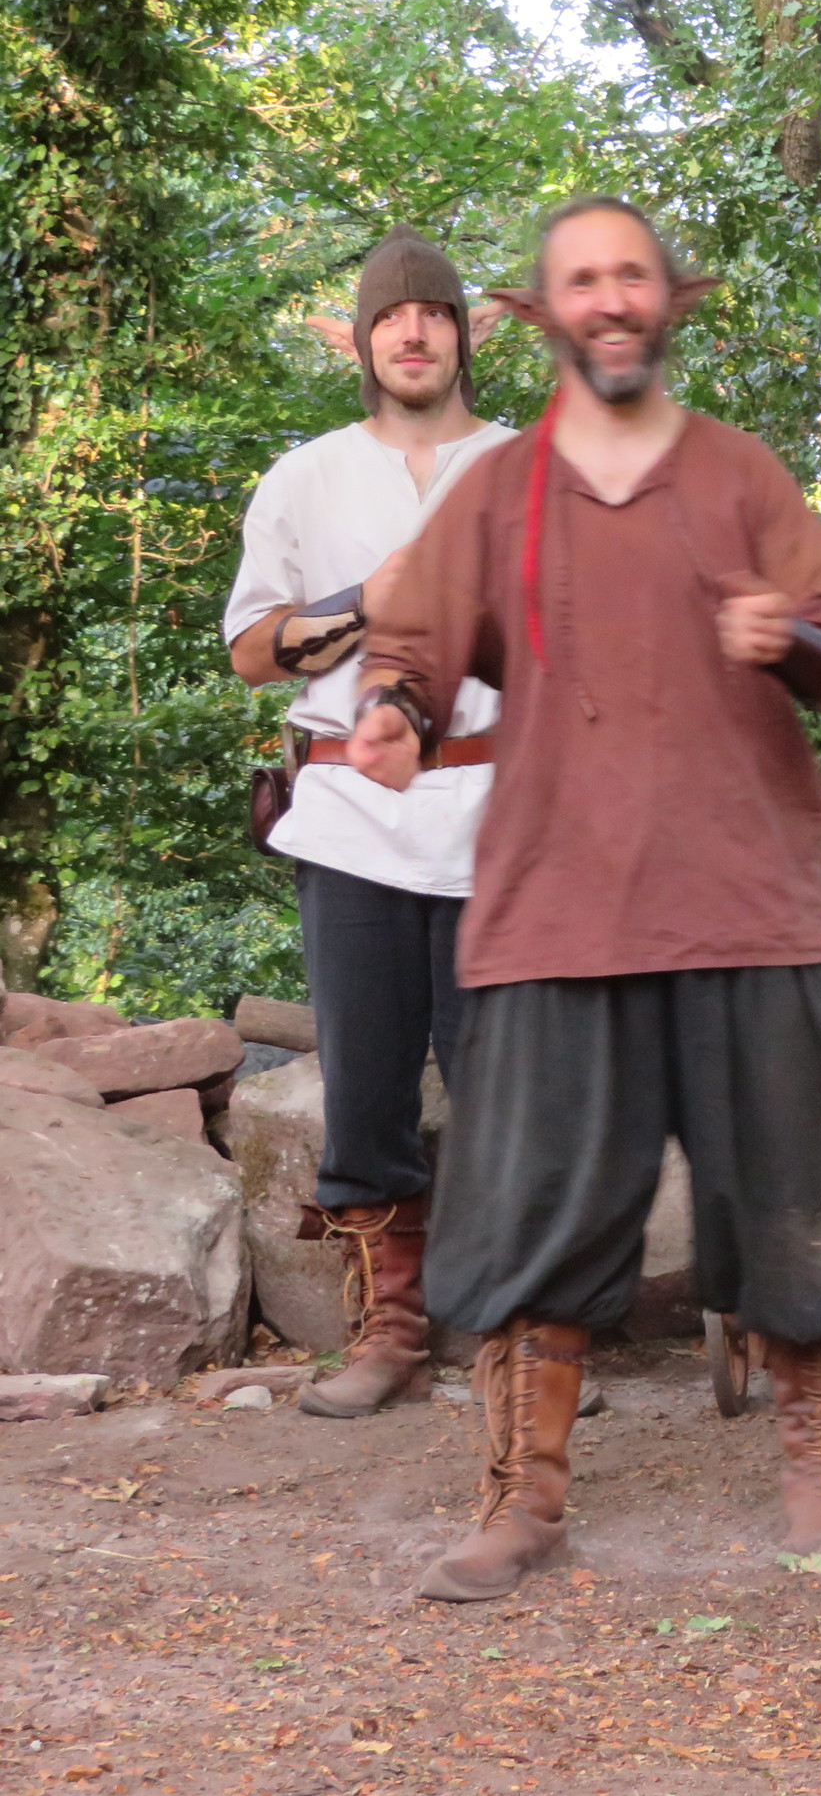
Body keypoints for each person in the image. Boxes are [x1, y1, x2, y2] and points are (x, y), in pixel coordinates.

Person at [351, 195, 821, 1602]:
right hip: (557, 908)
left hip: (742, 900)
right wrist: (393, 711)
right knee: (529, 1212)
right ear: (541, 315)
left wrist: (789, 638)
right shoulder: (498, 491)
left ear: (667, 302)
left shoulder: (740, 474)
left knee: (795, 1200)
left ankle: (815, 1472)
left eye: (631, 275)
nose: (609, 298)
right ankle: (524, 1500)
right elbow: (415, 642)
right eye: (582, 279)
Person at [223, 226, 514, 1420]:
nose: (413, 331)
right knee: (370, 1081)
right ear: (358, 341)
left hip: (501, 814)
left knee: (507, 1084)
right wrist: (367, 603)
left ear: (467, 333)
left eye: (433, 311)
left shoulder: (526, 468)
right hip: (349, 811)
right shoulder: (305, 476)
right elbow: (254, 650)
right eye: (391, 316)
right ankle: (392, 1325)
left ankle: (515, 1334)